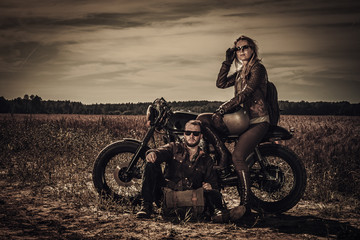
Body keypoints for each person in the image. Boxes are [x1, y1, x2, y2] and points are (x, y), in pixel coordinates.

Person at [196, 35, 270, 216]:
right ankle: (222, 155)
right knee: (203, 120)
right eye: (238, 49)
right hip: (243, 120)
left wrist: (222, 109)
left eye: (245, 47)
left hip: (257, 121)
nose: (241, 51)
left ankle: (245, 206)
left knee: (238, 157)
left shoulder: (258, 69)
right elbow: (220, 83)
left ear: (253, 49)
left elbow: (246, 93)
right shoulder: (240, 72)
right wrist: (227, 62)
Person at [136, 120, 227, 220]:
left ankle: (220, 214)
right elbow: (161, 151)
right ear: (184, 134)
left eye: (195, 134)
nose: (191, 136)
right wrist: (153, 153)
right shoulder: (174, 147)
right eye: (188, 133)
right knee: (151, 164)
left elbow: (214, 185)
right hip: (167, 195)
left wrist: (209, 186)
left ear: (201, 136)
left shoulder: (206, 159)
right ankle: (146, 206)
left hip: (190, 199)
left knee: (214, 194)